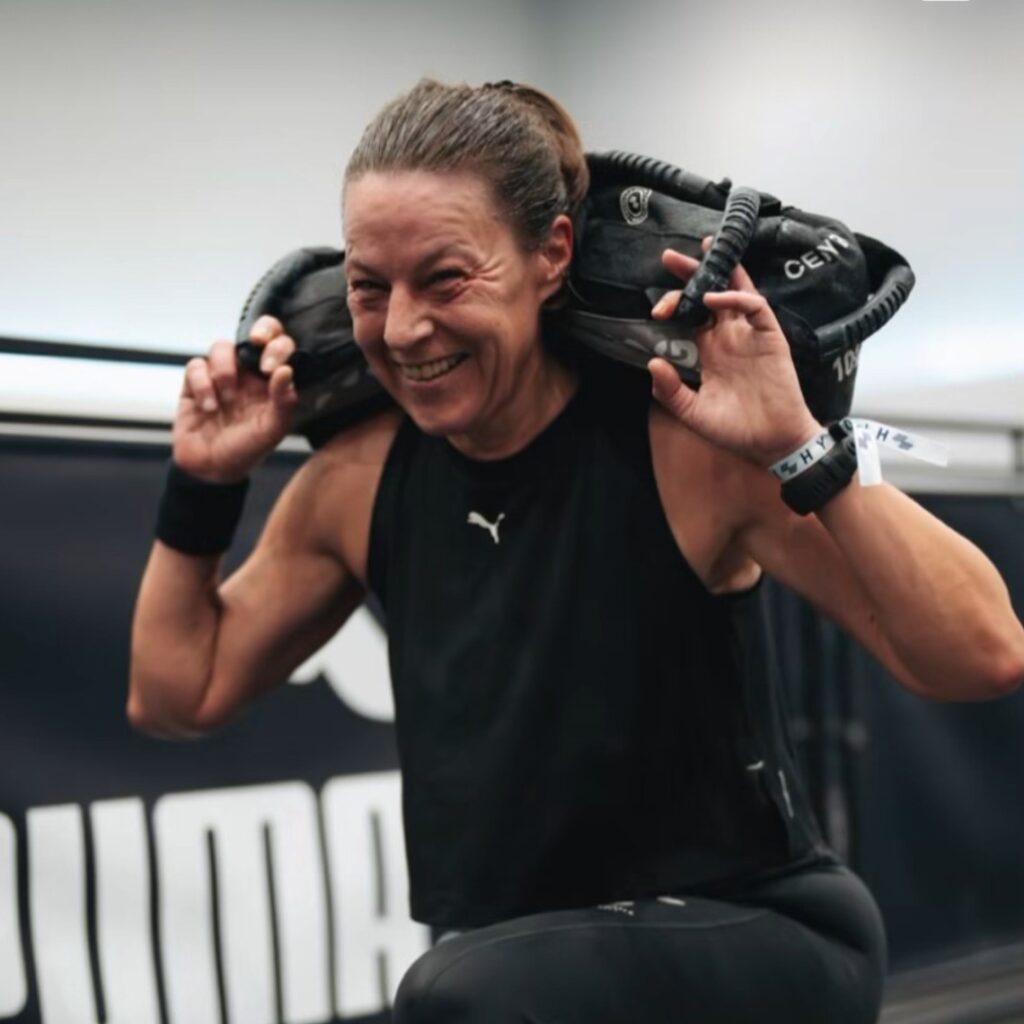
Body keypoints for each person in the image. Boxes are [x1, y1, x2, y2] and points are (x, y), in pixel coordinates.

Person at [129, 79, 1024, 1023]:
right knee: (475, 984)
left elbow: (985, 653)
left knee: (459, 992)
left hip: (759, 932)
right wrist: (206, 485)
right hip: (517, 971)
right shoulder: (356, 483)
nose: (402, 329)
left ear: (550, 254)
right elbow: (176, 692)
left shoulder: (687, 448)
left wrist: (800, 443)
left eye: (445, 278)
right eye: (369, 287)